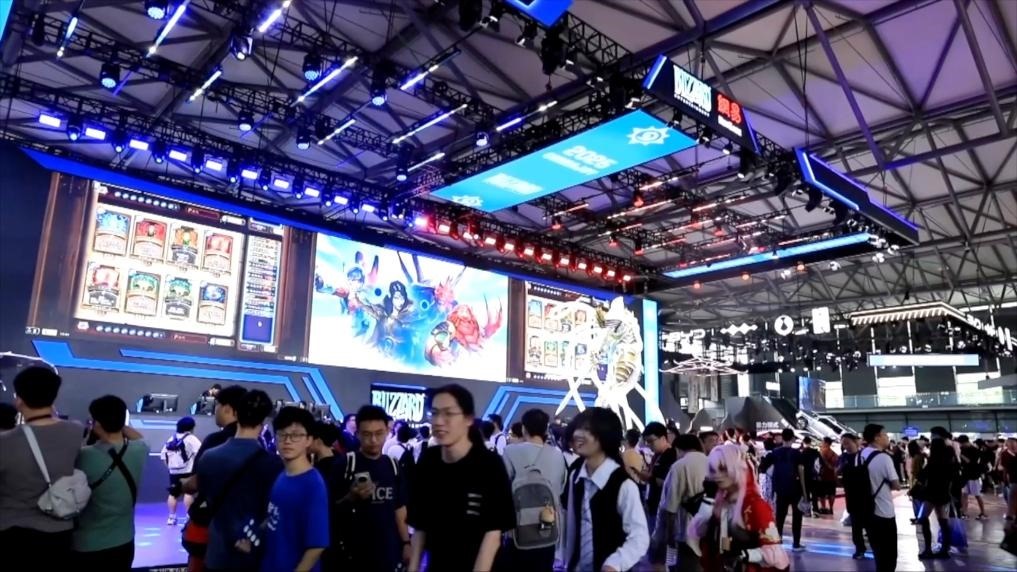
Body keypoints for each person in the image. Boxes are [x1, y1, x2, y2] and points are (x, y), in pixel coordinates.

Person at [408, 385, 515, 572]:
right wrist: (413, 567)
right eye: (434, 413)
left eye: (448, 414)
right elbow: (420, 526)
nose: (439, 421)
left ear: (468, 419)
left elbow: (492, 535)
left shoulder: (489, 464)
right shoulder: (428, 460)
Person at [0, 367, 83, 569]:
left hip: (14, 533)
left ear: (18, 400)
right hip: (61, 531)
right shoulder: (76, 431)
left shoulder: (6, 442)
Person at [192, 389, 283, 572]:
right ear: (263, 421)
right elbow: (275, 513)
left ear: (236, 413)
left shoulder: (209, 457)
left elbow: (200, 493)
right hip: (252, 556)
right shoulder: (273, 465)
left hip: (216, 553)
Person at [560, 407, 649, 572]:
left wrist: (615, 563)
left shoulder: (623, 484)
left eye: (587, 430)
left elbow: (640, 536)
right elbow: (572, 525)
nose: (578, 435)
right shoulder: (575, 476)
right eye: (578, 429)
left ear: (604, 436)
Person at [328, 405, 410, 572]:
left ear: (388, 432)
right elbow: (328, 509)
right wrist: (350, 497)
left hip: (387, 553)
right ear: (358, 433)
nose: (373, 440)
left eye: (379, 433)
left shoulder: (392, 465)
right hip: (352, 554)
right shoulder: (345, 464)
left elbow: (399, 508)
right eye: (367, 434)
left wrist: (406, 542)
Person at [73, 395, 149, 569]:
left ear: (97, 423)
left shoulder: (83, 455)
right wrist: (117, 423)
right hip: (124, 541)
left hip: (87, 543)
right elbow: (140, 437)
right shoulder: (140, 449)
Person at [688, 443, 790, 572]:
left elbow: (775, 551)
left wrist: (743, 554)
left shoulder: (756, 506)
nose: (717, 475)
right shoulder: (722, 502)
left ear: (738, 469)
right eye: (713, 470)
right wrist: (709, 499)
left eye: (723, 468)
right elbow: (696, 533)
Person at [257, 407, 329, 572]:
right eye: (282, 434)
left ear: (309, 440)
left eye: (296, 435)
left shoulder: (313, 485)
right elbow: (277, 517)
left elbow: (317, 546)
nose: (287, 441)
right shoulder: (282, 476)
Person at [500, 408, 567, 571]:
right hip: (548, 530)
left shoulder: (510, 451)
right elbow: (560, 489)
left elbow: (502, 489)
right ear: (545, 429)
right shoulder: (558, 455)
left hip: (518, 531)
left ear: (524, 428)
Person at [661, 434, 708, 572]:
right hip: (711, 530)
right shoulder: (711, 461)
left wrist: (669, 536)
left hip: (687, 531)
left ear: (678, 449)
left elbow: (671, 507)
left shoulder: (679, 466)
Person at [859, 424, 900, 572]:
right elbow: (896, 485)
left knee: (878, 553)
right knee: (889, 556)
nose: (887, 437)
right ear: (877, 437)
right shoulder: (884, 458)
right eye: (885, 434)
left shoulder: (860, 455)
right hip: (884, 511)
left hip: (865, 509)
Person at [757, 428, 806, 552]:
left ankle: (777, 540)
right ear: (793, 438)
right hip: (795, 489)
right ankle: (796, 544)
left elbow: (762, 468)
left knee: (780, 516)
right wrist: (805, 492)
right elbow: (801, 473)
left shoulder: (775, 452)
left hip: (780, 488)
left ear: (782, 438)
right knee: (797, 516)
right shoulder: (797, 453)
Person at [913, 438, 957, 559]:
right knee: (943, 522)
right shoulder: (949, 461)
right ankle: (945, 549)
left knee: (923, 519)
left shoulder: (932, 462)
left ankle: (928, 549)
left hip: (931, 493)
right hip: (944, 494)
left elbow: (921, 476)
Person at [162, 416, 202, 525]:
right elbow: (201, 451)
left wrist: (170, 468)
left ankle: (171, 517)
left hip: (173, 472)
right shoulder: (191, 438)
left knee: (173, 494)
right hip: (188, 470)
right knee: (188, 493)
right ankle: (188, 517)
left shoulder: (171, 438)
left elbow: (163, 456)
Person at [643, 421, 677, 539]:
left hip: (661, 508)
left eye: (651, 441)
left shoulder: (671, 455)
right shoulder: (657, 455)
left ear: (663, 438)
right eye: (647, 442)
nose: (649, 445)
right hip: (652, 505)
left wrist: (650, 478)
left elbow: (666, 483)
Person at [837, 433, 867, 559]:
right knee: (856, 525)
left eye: (848, 442)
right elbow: (837, 472)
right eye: (844, 444)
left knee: (869, 523)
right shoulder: (843, 458)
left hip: (865, 494)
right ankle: (859, 548)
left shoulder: (863, 456)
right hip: (851, 495)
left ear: (856, 442)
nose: (846, 446)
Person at [957, 435, 987, 520]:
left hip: (973, 475)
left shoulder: (975, 450)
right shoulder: (962, 449)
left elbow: (970, 462)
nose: (960, 445)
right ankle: (964, 512)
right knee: (964, 494)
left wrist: (960, 454)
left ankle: (983, 512)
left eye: (961, 444)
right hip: (964, 475)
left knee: (977, 495)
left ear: (966, 442)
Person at [797, 436, 821, 514]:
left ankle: (807, 510)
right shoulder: (816, 452)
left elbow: (799, 465)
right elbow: (819, 464)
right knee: (814, 494)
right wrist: (819, 474)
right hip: (814, 475)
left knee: (805, 493)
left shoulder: (802, 453)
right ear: (810, 443)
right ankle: (815, 510)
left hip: (805, 476)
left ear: (803, 443)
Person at [816, 437, 838, 515]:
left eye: (822, 442)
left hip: (823, 475)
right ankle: (831, 508)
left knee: (822, 493)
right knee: (831, 493)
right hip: (832, 476)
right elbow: (836, 465)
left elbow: (818, 464)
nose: (821, 443)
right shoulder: (834, 454)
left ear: (826, 443)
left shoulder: (822, 452)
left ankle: (823, 508)